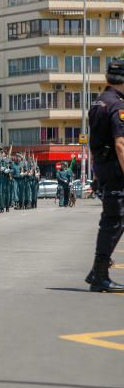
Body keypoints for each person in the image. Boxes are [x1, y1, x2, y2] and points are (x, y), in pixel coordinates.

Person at [84, 59, 124, 293]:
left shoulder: (98, 102)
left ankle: (98, 269)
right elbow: (120, 144)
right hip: (115, 170)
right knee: (114, 220)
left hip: (104, 167)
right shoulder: (117, 106)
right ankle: (100, 274)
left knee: (115, 218)